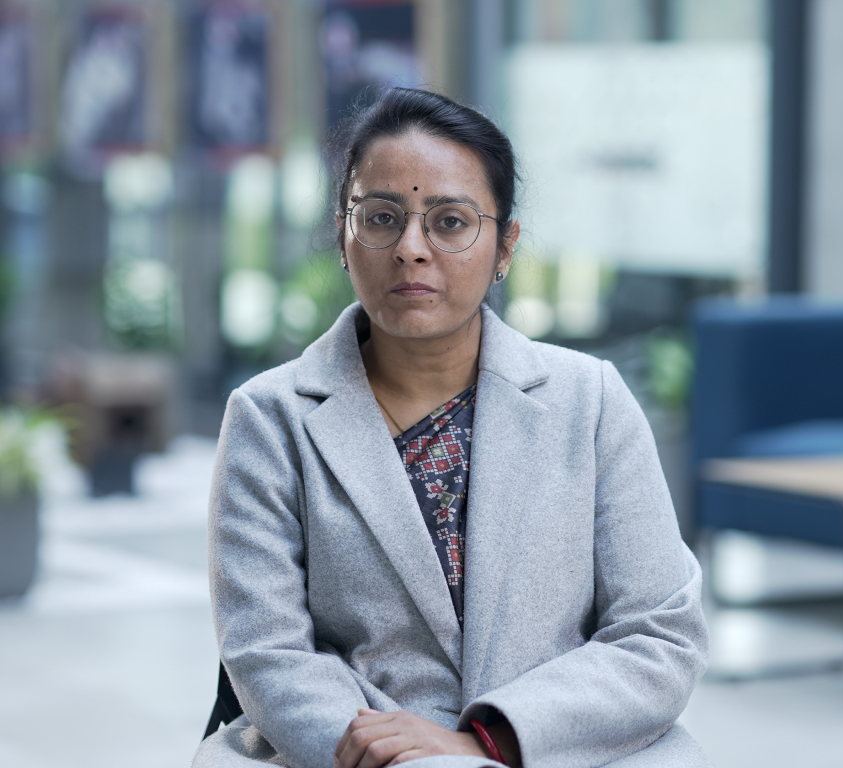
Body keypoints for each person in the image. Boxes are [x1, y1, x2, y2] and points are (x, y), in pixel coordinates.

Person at [193, 87, 710, 768]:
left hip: (555, 748)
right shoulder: (270, 418)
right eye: (381, 217)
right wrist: (410, 756)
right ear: (345, 240)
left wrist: (486, 742)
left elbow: (659, 635)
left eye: (450, 221)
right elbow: (267, 653)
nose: (411, 248)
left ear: (505, 247)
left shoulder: (592, 402)